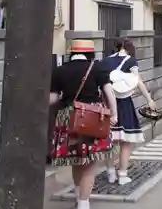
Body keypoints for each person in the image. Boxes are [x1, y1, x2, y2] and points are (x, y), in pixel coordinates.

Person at [49, 40, 118, 209]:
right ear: (90, 54)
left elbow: (52, 99)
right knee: (90, 162)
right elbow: (109, 93)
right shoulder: (97, 68)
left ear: (71, 53)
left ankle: (79, 194)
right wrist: (114, 114)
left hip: (69, 118)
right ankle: (84, 202)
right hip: (93, 119)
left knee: (76, 159)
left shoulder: (59, 71)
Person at [104, 38, 159, 185]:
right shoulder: (131, 61)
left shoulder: (106, 60)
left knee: (111, 141)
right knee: (126, 141)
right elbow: (138, 81)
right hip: (124, 104)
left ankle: (110, 173)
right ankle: (122, 175)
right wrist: (149, 99)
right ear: (129, 48)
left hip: (108, 103)